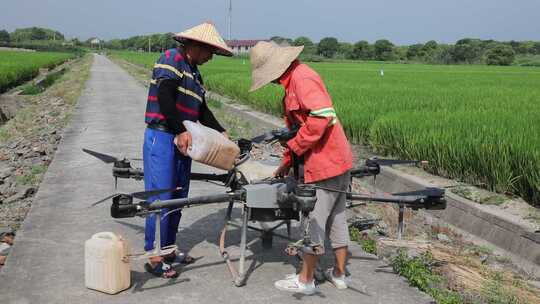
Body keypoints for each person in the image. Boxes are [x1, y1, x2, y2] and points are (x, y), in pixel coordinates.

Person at [249, 41, 354, 294]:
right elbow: (304, 127)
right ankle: (339, 275)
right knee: (337, 218)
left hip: (322, 164)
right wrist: (286, 163)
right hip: (336, 160)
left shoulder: (302, 78)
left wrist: (294, 147)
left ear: (276, 68)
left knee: (313, 222)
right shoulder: (295, 79)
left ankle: (305, 281)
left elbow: (322, 116)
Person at [143, 22, 233, 278]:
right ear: (195, 46)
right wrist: (179, 130)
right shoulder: (171, 58)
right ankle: (154, 255)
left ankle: (169, 249)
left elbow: (201, 110)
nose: (211, 57)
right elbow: (165, 97)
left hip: (184, 140)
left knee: (179, 196)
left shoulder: (194, 72)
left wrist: (221, 132)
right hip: (162, 136)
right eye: (209, 51)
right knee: (160, 197)